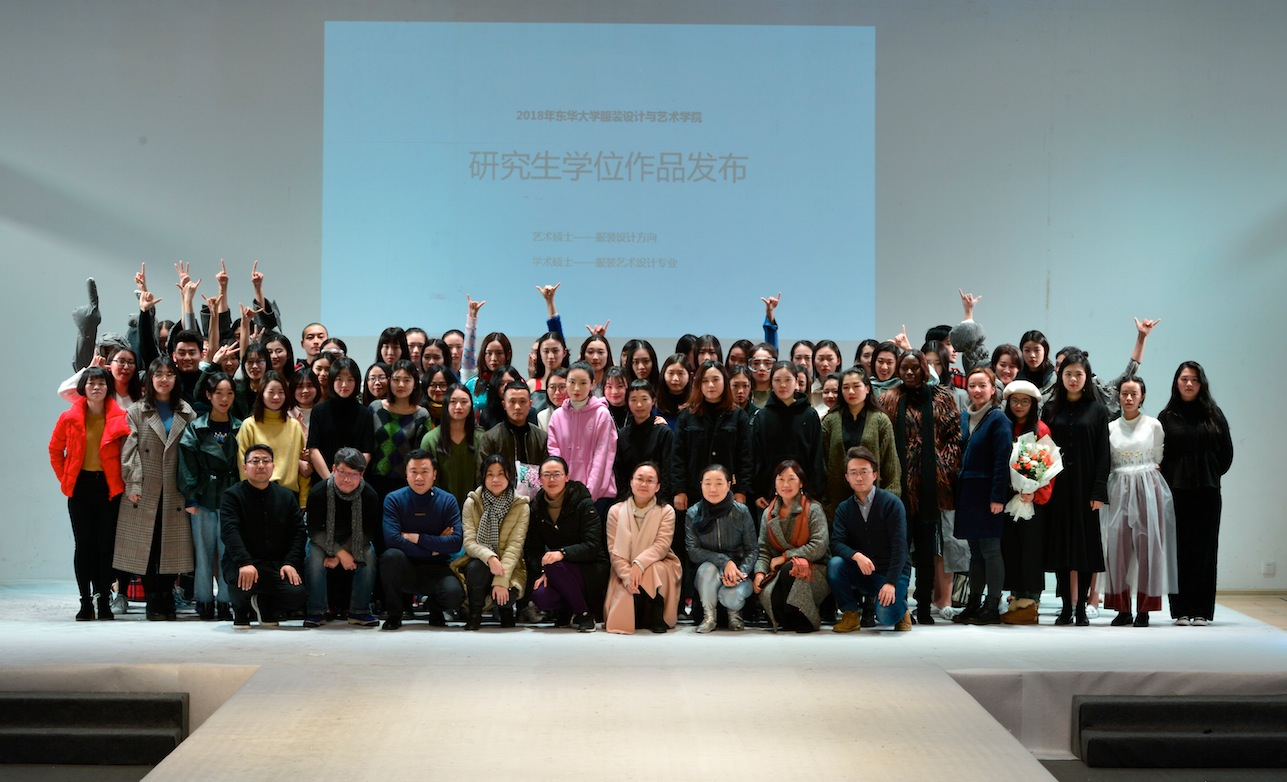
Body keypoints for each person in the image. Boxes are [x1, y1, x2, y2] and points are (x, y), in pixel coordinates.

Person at [877, 349, 962, 625]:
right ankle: (900, 607)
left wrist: (942, 467)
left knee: (927, 552)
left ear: (924, 369)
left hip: (930, 486)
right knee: (899, 549)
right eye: (905, 368)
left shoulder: (942, 397)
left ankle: (924, 608)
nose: (910, 372)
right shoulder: (889, 398)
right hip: (898, 486)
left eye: (915, 367)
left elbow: (954, 436)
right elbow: (883, 440)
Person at [117, 356, 196, 621]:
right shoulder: (137, 411)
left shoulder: (187, 412)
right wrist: (133, 482)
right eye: (158, 374)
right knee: (146, 544)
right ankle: (153, 597)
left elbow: (193, 452)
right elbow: (129, 451)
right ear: (150, 379)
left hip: (176, 486)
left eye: (169, 374)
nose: (164, 379)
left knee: (172, 544)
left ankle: (166, 595)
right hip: (146, 485)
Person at [49, 366, 130, 621]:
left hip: (108, 488)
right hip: (80, 487)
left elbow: (128, 453)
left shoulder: (120, 417)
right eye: (91, 383)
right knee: (84, 545)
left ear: (108, 387)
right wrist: (66, 478)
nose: (96, 387)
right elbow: (55, 450)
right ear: (83, 387)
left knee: (106, 546)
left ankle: (103, 600)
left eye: (102, 383)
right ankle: (85, 601)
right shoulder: (68, 417)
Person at [1159, 361, 1233, 626]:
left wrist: (1209, 473)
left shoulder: (1214, 415)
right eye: (1184, 379)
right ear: (1176, 383)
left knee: (1205, 551)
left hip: (1207, 492)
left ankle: (1201, 610)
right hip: (1176, 493)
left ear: (1202, 384)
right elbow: (1160, 456)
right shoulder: (1166, 417)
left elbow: (1226, 454)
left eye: (1194, 380)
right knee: (1178, 550)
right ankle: (1181, 610)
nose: (1189, 384)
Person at [1041, 349, 1111, 626]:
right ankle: (1064, 608)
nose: (1073, 379)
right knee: (1060, 547)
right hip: (1057, 488)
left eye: (1078, 374)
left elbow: (1103, 453)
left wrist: (1099, 491)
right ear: (1060, 375)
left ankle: (1081, 607)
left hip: (1085, 489)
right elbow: (1042, 449)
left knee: (1083, 549)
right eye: (1068, 373)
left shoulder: (1098, 410)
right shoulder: (1050, 408)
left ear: (1086, 377)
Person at [1101, 376, 1177, 628]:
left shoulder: (1153, 425)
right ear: (1119, 396)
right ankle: (1122, 609)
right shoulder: (1111, 428)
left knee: (1148, 547)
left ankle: (1144, 609)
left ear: (1142, 396)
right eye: (1124, 393)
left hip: (1147, 487)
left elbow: (1158, 457)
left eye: (1134, 393)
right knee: (1117, 547)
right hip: (1118, 488)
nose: (1129, 398)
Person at [951, 367, 1014, 625]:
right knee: (974, 552)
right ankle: (973, 603)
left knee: (990, 550)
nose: (977, 390)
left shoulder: (998, 419)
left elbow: (1002, 460)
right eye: (972, 386)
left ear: (992, 389)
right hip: (969, 494)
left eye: (982, 386)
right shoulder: (965, 416)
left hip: (989, 494)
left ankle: (992, 606)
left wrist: (998, 497)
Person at [219, 444, 307, 628]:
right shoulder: (232, 495)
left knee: (296, 595)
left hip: (276, 564)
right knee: (241, 583)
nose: (261, 465)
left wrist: (290, 562)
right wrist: (244, 562)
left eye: (266, 461)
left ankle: (265, 603)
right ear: (245, 467)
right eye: (255, 461)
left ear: (273, 466)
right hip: (243, 563)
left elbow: (299, 532)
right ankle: (241, 609)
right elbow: (229, 532)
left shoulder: (286, 496)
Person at [178, 372, 242, 621]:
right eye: (218, 393)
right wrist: (191, 497)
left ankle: (226, 600)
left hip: (231, 497)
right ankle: (204, 599)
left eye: (229, 393)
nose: (224, 399)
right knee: (203, 551)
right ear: (208, 395)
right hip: (204, 496)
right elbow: (187, 464)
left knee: (229, 551)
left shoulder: (240, 427)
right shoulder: (197, 427)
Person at [828, 447, 913, 633]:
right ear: (847, 477)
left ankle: (902, 609)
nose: (859, 477)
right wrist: (856, 556)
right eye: (853, 473)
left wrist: (890, 582)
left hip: (891, 572)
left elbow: (900, 548)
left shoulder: (891, 503)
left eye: (864, 472)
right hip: (863, 571)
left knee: (885, 617)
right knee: (835, 565)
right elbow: (836, 543)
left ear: (874, 474)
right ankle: (850, 614)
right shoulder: (844, 509)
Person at [379, 450, 465, 630]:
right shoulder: (394, 499)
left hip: (438, 568)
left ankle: (435, 607)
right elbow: (392, 541)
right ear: (406, 473)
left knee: (455, 594)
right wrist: (435, 548)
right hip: (406, 567)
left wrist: (416, 538)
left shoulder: (447, 500)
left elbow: (456, 542)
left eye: (425, 471)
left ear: (434, 474)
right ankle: (394, 614)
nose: (419, 477)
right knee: (390, 556)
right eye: (414, 471)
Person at [524, 456, 608, 633]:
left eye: (557, 474)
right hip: (557, 568)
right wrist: (545, 571)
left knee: (554, 564)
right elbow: (532, 551)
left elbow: (592, 545)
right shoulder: (536, 508)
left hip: (591, 568)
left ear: (567, 477)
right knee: (541, 595)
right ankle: (568, 608)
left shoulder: (583, 503)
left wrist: (562, 553)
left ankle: (584, 614)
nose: (552, 479)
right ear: (540, 480)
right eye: (547, 475)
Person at [303, 447, 381, 628]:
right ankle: (316, 611)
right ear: (333, 469)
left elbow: (367, 532)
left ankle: (360, 611)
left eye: (354, 474)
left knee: (369, 554)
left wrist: (341, 553)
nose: (347, 479)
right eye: (342, 472)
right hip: (322, 539)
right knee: (313, 555)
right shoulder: (318, 492)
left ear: (362, 474)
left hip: (355, 539)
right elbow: (314, 531)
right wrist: (340, 553)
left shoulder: (369, 495)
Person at [450, 455, 530, 630]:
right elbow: (469, 543)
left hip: (509, 566)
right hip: (480, 562)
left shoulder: (521, 506)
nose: (495, 479)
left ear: (509, 475)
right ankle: (475, 613)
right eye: (490, 474)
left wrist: (501, 581)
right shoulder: (472, 502)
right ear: (483, 477)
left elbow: (515, 546)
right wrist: (490, 558)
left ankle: (505, 610)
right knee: (477, 567)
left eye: (501, 474)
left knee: (506, 597)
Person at [752, 460, 831, 633]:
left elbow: (819, 546)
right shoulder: (768, 513)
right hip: (779, 573)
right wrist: (759, 573)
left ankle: (807, 616)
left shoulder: (813, 509)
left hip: (814, 569)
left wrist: (785, 557)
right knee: (774, 598)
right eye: (781, 479)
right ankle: (792, 613)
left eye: (791, 479)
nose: (785, 484)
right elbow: (764, 550)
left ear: (801, 482)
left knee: (790, 569)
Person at [604, 463, 682, 634]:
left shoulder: (666, 511)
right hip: (624, 567)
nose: (644, 484)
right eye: (639, 479)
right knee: (626, 590)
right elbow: (614, 551)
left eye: (650, 480)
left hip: (659, 563)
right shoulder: (615, 511)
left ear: (658, 486)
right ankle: (637, 610)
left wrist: (639, 564)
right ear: (631, 482)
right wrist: (627, 575)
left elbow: (662, 545)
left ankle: (657, 612)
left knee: (654, 569)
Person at [998, 380, 1053, 625]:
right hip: (1008, 499)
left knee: (1031, 550)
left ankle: (1031, 601)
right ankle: (1015, 598)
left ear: (1033, 405)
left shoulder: (1041, 429)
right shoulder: (1003, 427)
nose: (1019, 406)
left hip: (1032, 502)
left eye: (1025, 401)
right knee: (1011, 549)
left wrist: (1035, 493)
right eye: (1015, 401)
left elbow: (1048, 465)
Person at [821, 367, 901, 521]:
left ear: (867, 388)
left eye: (856, 386)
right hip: (838, 502)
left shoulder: (880, 420)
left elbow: (890, 464)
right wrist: (826, 502)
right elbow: (823, 462)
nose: (851, 392)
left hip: (875, 504)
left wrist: (889, 502)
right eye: (845, 387)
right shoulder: (830, 421)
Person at [686, 464, 758, 633]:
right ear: (701, 485)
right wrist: (724, 561)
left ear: (728, 484)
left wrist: (739, 573)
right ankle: (709, 617)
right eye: (707, 483)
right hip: (708, 575)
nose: (713, 489)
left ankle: (735, 615)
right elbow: (693, 551)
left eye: (719, 483)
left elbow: (752, 549)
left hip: (738, 571)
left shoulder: (741, 512)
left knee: (731, 595)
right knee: (707, 569)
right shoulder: (693, 513)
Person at [547, 361, 618, 521]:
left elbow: (602, 457)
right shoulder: (557, 416)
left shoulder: (602, 415)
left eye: (583, 383)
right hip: (564, 495)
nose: (577, 388)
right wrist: (562, 490)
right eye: (572, 382)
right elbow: (554, 456)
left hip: (598, 495)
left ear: (592, 384)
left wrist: (588, 495)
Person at [752, 361, 824, 509]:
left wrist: (815, 493)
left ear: (796, 382)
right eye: (777, 380)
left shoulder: (809, 415)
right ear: (771, 383)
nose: (783, 385)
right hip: (769, 494)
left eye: (788, 380)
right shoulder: (762, 416)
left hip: (805, 494)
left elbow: (817, 456)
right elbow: (756, 457)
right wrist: (757, 492)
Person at [236, 370, 306, 501]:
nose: (276, 397)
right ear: (262, 393)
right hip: (255, 493)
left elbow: (303, 466)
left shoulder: (294, 426)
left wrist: (304, 498)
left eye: (281, 392)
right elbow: (242, 463)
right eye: (271, 392)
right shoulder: (249, 425)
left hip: (288, 496)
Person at [367, 359, 429, 500]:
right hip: (373, 481)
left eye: (407, 380)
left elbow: (420, 454)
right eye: (396, 379)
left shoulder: (421, 415)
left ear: (415, 383)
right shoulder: (375, 408)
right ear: (390, 381)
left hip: (405, 484)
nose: (401, 384)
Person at [306, 357, 375, 481]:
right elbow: (313, 449)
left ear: (357, 381)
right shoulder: (319, 411)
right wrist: (330, 480)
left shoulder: (365, 414)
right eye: (339, 379)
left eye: (350, 380)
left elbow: (367, 451)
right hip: (323, 479)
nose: (344, 385)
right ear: (332, 380)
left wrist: (351, 477)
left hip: (355, 481)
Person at [422, 383, 481, 510]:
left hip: (475, 509)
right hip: (440, 509)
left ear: (471, 405)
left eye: (464, 402)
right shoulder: (430, 439)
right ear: (446, 405)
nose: (458, 406)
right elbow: (427, 481)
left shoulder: (482, 438)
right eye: (453, 401)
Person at [614, 380, 674, 504]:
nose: (639, 405)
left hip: (658, 501)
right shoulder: (623, 434)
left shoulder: (663, 432)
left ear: (653, 401)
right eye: (633, 400)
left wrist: (660, 501)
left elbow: (667, 471)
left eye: (644, 399)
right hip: (628, 500)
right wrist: (626, 499)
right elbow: (619, 472)